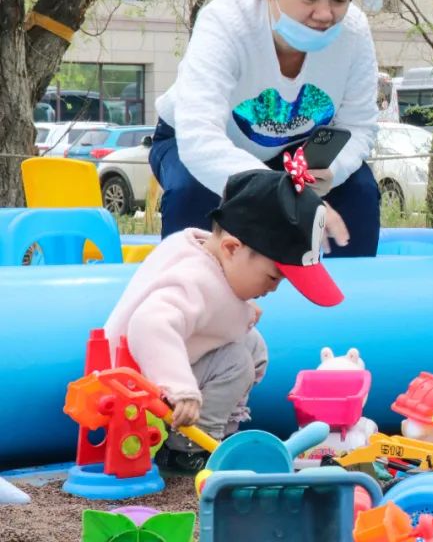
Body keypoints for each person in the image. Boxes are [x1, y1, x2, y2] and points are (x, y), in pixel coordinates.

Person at [151, 0, 381, 256]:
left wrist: (330, 169)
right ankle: (190, 299)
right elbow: (200, 138)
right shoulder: (226, 22)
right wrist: (281, 192)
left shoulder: (354, 33)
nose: (325, 14)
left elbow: (359, 126)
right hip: (202, 145)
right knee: (191, 193)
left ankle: (346, 302)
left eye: (340, 0)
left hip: (296, 154)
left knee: (359, 192)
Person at [104, 165, 345, 471]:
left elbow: (213, 303)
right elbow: (149, 324)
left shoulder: (214, 254)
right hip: (135, 380)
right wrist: (181, 389)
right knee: (236, 362)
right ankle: (187, 449)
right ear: (232, 248)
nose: (273, 288)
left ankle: (220, 432)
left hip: (166, 362)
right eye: (272, 277)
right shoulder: (194, 277)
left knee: (254, 348)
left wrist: (240, 310)